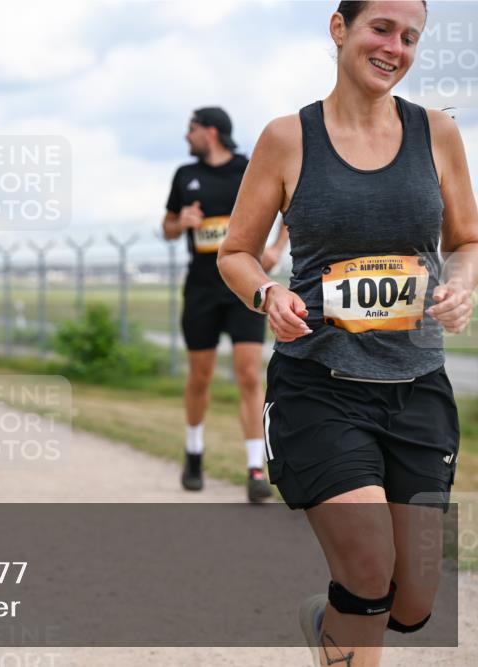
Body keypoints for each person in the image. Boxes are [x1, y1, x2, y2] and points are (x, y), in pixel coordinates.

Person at [217, 2, 476, 665]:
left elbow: (467, 240)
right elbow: (236, 251)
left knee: (411, 601)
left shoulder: (438, 133)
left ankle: (327, 622)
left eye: (411, 36)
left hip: (416, 389)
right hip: (319, 387)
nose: (396, 46)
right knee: (368, 570)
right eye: (381, 29)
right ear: (340, 29)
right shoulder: (288, 138)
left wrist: (462, 284)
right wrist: (268, 292)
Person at [163, 106, 289, 502]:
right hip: (201, 288)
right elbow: (167, 228)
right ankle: (194, 452)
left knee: (250, 375)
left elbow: (288, 203)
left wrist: (275, 250)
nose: (187, 136)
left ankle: (255, 467)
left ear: (211, 132)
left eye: (192, 129)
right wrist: (179, 221)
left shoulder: (248, 169)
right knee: (199, 377)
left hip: (245, 288)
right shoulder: (185, 176)